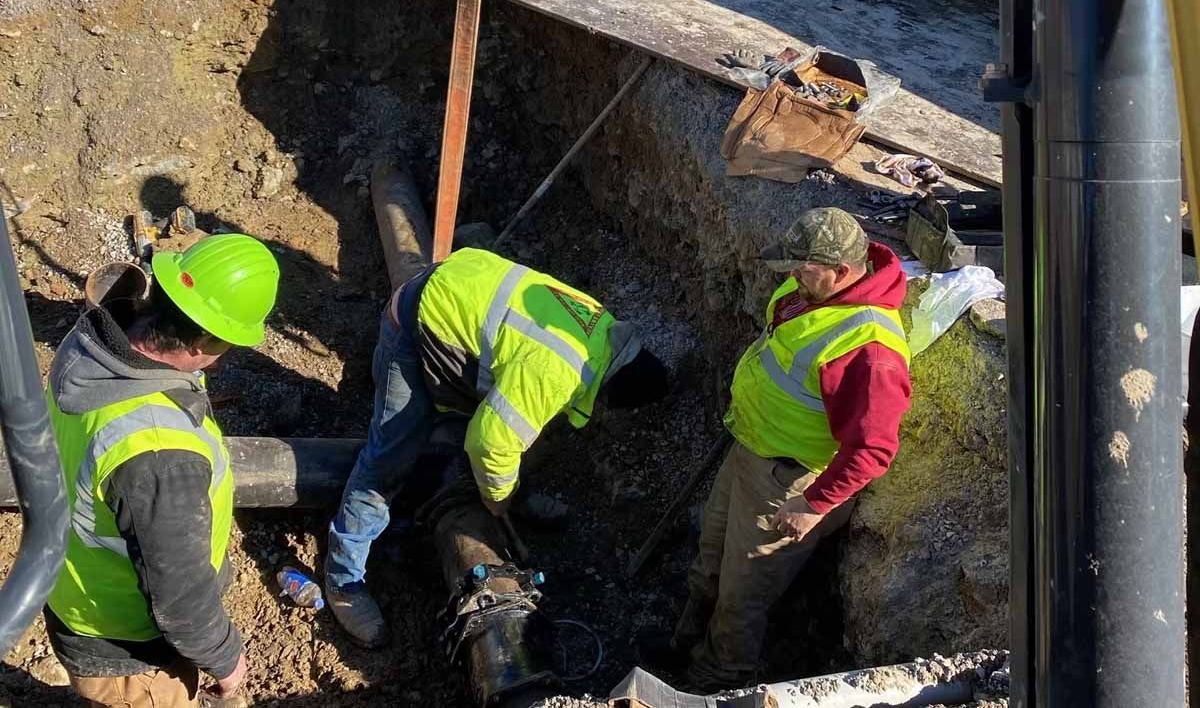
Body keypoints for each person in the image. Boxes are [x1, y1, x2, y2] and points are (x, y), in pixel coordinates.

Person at [326, 246, 670, 647]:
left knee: (509, 429)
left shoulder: (604, 329)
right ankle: (344, 581)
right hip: (416, 325)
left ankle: (501, 490)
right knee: (388, 461)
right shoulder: (558, 373)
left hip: (461, 301)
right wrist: (498, 498)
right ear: (612, 391)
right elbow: (488, 441)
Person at [670, 207, 911, 692]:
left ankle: (714, 681)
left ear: (842, 271)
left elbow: (873, 448)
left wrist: (814, 505)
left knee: (744, 594)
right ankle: (684, 646)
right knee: (711, 557)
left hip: (788, 483)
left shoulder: (870, 349)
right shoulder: (807, 293)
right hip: (750, 450)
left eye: (804, 268)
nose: (794, 277)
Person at [44, 234, 280, 708]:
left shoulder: (96, 349)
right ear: (210, 340)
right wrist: (227, 661)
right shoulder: (157, 451)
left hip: (75, 593)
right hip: (129, 647)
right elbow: (181, 601)